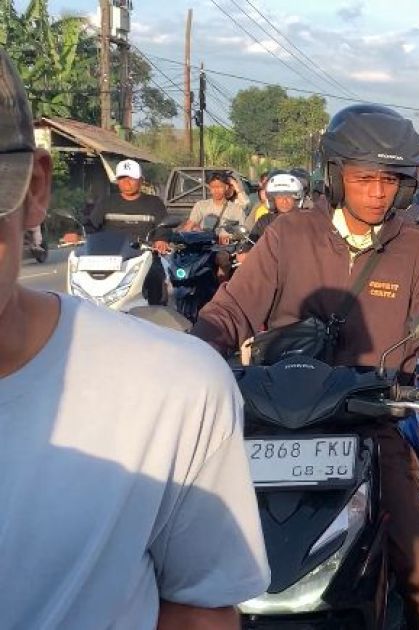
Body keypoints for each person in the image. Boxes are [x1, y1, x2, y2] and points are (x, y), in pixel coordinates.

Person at [191, 104, 419, 630]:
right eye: (364, 178)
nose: (378, 192)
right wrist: (190, 351)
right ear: (336, 175)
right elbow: (233, 310)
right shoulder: (289, 236)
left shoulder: (418, 250)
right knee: (195, 552)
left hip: (370, 423)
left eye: (390, 180)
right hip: (275, 422)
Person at [0, 45, 269, 629]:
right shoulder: (121, 204)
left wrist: (182, 247)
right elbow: (94, 229)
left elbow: (199, 610)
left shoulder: (171, 391)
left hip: (157, 267)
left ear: (32, 190)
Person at [87, 159, 171, 304]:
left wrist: (161, 240)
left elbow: (164, 227)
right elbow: (91, 225)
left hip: (144, 257)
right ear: (117, 181)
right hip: (110, 258)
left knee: (157, 278)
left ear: (141, 180)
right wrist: (76, 234)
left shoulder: (154, 203)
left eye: (131, 178)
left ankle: (155, 313)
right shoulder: (107, 202)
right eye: (122, 178)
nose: (126, 182)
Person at [182, 171, 248, 233]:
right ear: (210, 188)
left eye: (219, 187)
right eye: (213, 187)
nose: (216, 191)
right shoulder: (200, 205)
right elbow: (189, 226)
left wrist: (229, 236)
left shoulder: (236, 209)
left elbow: (243, 232)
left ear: (226, 187)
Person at [247, 171, 305, 242]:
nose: (284, 201)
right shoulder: (265, 221)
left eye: (289, 197)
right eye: (279, 197)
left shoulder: (306, 222)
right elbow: (249, 244)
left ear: (296, 200)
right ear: (272, 199)